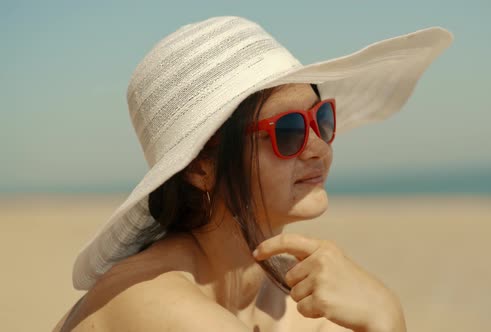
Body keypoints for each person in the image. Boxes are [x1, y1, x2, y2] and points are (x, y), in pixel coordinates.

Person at [54, 16, 452, 331]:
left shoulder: (294, 302)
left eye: (321, 119)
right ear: (201, 168)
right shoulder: (153, 299)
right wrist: (387, 318)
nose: (319, 147)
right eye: (288, 130)